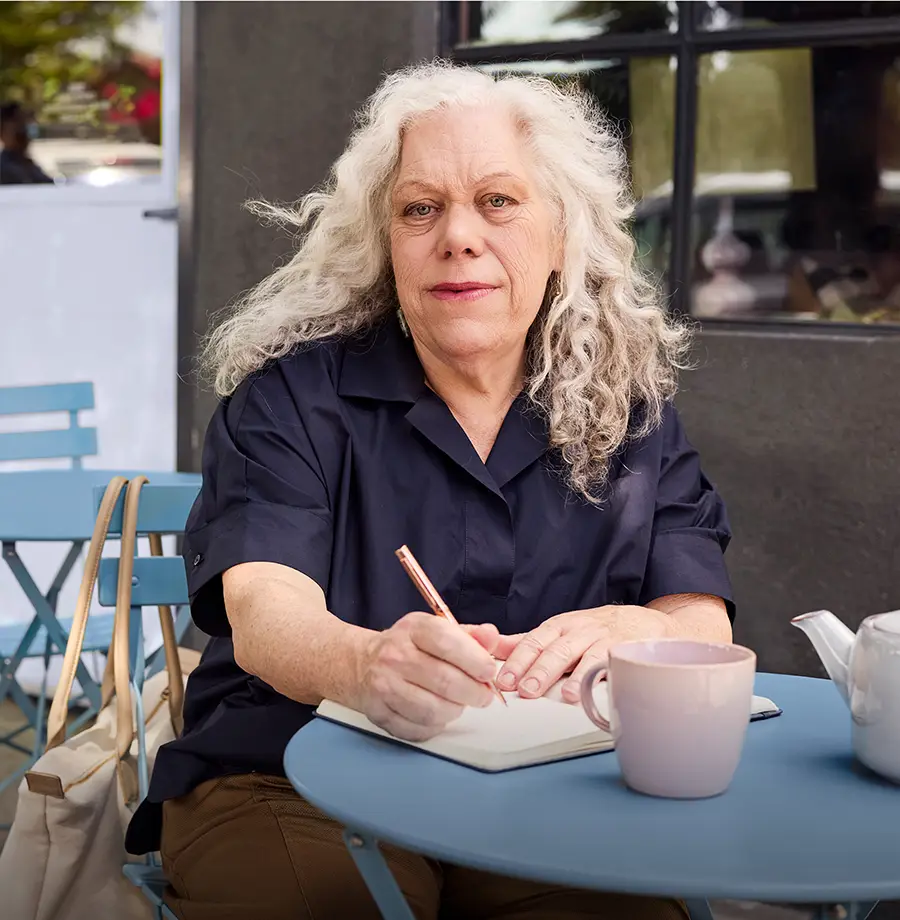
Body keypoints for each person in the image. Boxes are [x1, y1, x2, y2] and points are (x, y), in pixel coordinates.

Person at [126, 60, 735, 919]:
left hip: (539, 789)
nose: (458, 237)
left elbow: (698, 615)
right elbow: (266, 614)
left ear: (561, 235)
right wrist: (365, 663)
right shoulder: (291, 400)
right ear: (386, 240)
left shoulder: (628, 413)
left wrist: (634, 629)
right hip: (287, 779)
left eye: (498, 201)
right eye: (421, 208)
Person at [0, 102, 53, 185]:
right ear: (2, 133)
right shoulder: (5, 169)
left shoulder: (26, 163)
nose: (24, 135)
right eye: (18, 131)